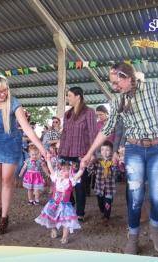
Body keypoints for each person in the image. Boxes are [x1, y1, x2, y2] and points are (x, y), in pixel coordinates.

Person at [80, 62, 158, 255]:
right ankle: (133, 235)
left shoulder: (155, 88)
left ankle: (155, 228)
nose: (114, 87)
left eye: (117, 83)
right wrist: (89, 154)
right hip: (134, 149)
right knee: (135, 196)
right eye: (112, 84)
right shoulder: (117, 101)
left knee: (157, 194)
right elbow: (106, 130)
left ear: (128, 77)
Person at [0, 74, 45, 235]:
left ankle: (5, 217)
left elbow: (27, 129)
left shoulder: (14, 103)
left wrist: (42, 149)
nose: (2, 94)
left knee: (7, 181)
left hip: (11, 144)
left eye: (4, 90)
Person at [58, 86, 98, 222]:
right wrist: (60, 152)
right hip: (65, 154)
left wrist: (92, 153)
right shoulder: (67, 114)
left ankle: (80, 213)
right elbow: (64, 134)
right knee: (66, 183)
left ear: (78, 97)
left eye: (69, 95)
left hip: (81, 154)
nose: (68, 98)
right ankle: (71, 206)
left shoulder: (89, 112)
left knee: (80, 185)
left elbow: (93, 134)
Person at [35, 154, 83, 244]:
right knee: (51, 217)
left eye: (65, 170)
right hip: (53, 203)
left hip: (65, 206)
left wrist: (82, 166)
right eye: (61, 169)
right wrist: (48, 160)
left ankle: (65, 236)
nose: (62, 171)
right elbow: (51, 169)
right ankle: (53, 229)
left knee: (66, 221)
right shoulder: (56, 178)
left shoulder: (71, 181)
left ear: (70, 173)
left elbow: (79, 173)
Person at [87, 141, 117, 223]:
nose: (104, 152)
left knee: (108, 203)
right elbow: (90, 171)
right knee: (100, 204)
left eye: (107, 150)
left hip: (109, 189)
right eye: (102, 150)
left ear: (111, 151)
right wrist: (91, 162)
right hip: (99, 188)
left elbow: (115, 174)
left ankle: (106, 216)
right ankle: (103, 212)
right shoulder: (98, 162)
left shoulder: (113, 162)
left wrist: (114, 165)